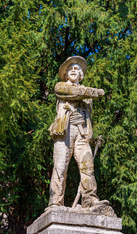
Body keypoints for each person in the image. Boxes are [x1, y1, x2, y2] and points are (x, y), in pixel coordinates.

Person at [48, 56, 109, 209]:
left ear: (81, 75)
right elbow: (74, 93)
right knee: (60, 167)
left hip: (81, 133)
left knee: (88, 166)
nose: (74, 71)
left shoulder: (87, 97)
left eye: (77, 69)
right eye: (71, 69)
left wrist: (89, 134)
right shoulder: (61, 87)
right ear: (66, 74)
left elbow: (88, 115)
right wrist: (96, 91)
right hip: (65, 132)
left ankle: (90, 200)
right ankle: (55, 202)